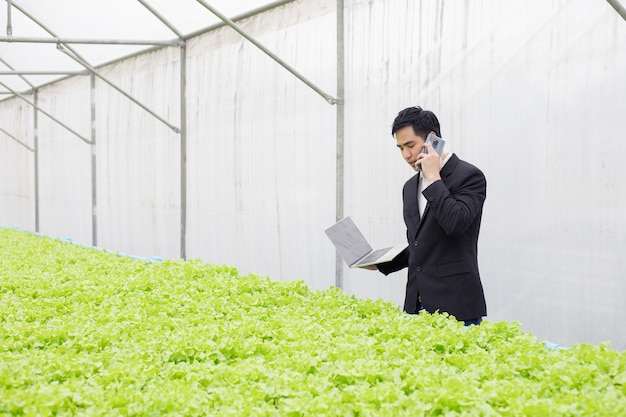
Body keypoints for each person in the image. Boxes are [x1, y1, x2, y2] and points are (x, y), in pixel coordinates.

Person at [369, 106, 487, 326]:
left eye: (410, 145)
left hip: (457, 306)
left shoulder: (469, 176)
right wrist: (379, 263)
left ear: (432, 140)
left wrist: (434, 177)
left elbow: (456, 224)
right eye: (400, 148)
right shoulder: (409, 186)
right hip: (416, 305)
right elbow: (420, 244)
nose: (406, 155)